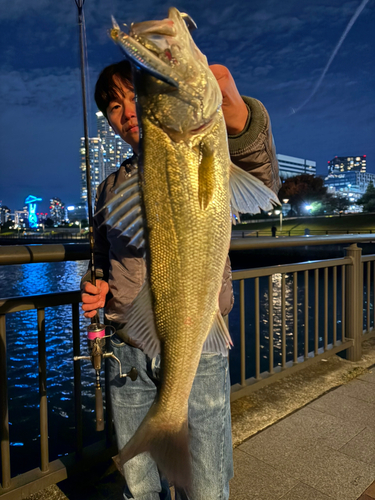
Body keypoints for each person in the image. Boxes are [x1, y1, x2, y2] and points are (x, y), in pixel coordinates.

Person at [81, 60, 280, 500]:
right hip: (126, 348)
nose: (127, 112)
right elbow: (99, 253)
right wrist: (93, 284)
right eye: (114, 106)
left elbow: (261, 176)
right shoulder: (111, 186)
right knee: (139, 484)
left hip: (199, 343)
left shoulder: (204, 153)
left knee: (208, 482)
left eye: (136, 97)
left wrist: (240, 119)